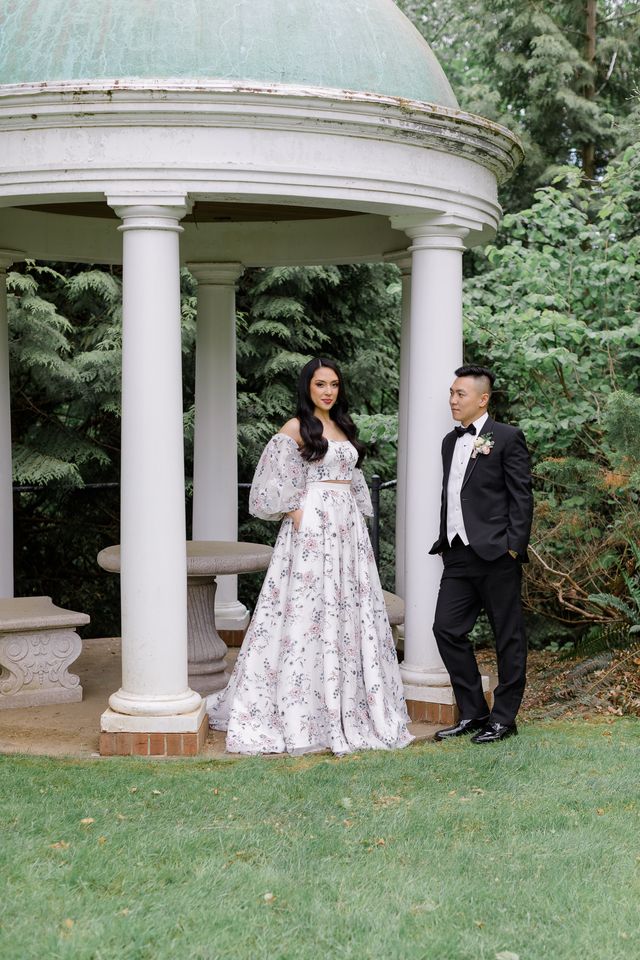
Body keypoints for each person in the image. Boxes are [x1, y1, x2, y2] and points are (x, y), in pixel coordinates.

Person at [206, 357, 413, 756]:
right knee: (308, 609)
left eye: (334, 384)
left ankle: (350, 704)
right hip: (313, 528)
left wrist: (350, 518)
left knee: (346, 609)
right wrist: (296, 511)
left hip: (346, 530)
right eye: (321, 384)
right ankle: (299, 708)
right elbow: (268, 484)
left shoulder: (344, 427)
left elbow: (352, 482)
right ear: (308, 388)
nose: (328, 391)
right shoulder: (296, 428)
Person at [430, 364, 533, 744]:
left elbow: (522, 496)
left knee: (508, 636)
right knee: (446, 628)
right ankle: (473, 711)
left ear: (482, 399)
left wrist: (513, 547)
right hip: (457, 554)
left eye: (461, 394)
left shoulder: (507, 438)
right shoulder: (449, 441)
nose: (453, 400)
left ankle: (504, 718)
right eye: (452, 393)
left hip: (496, 554)